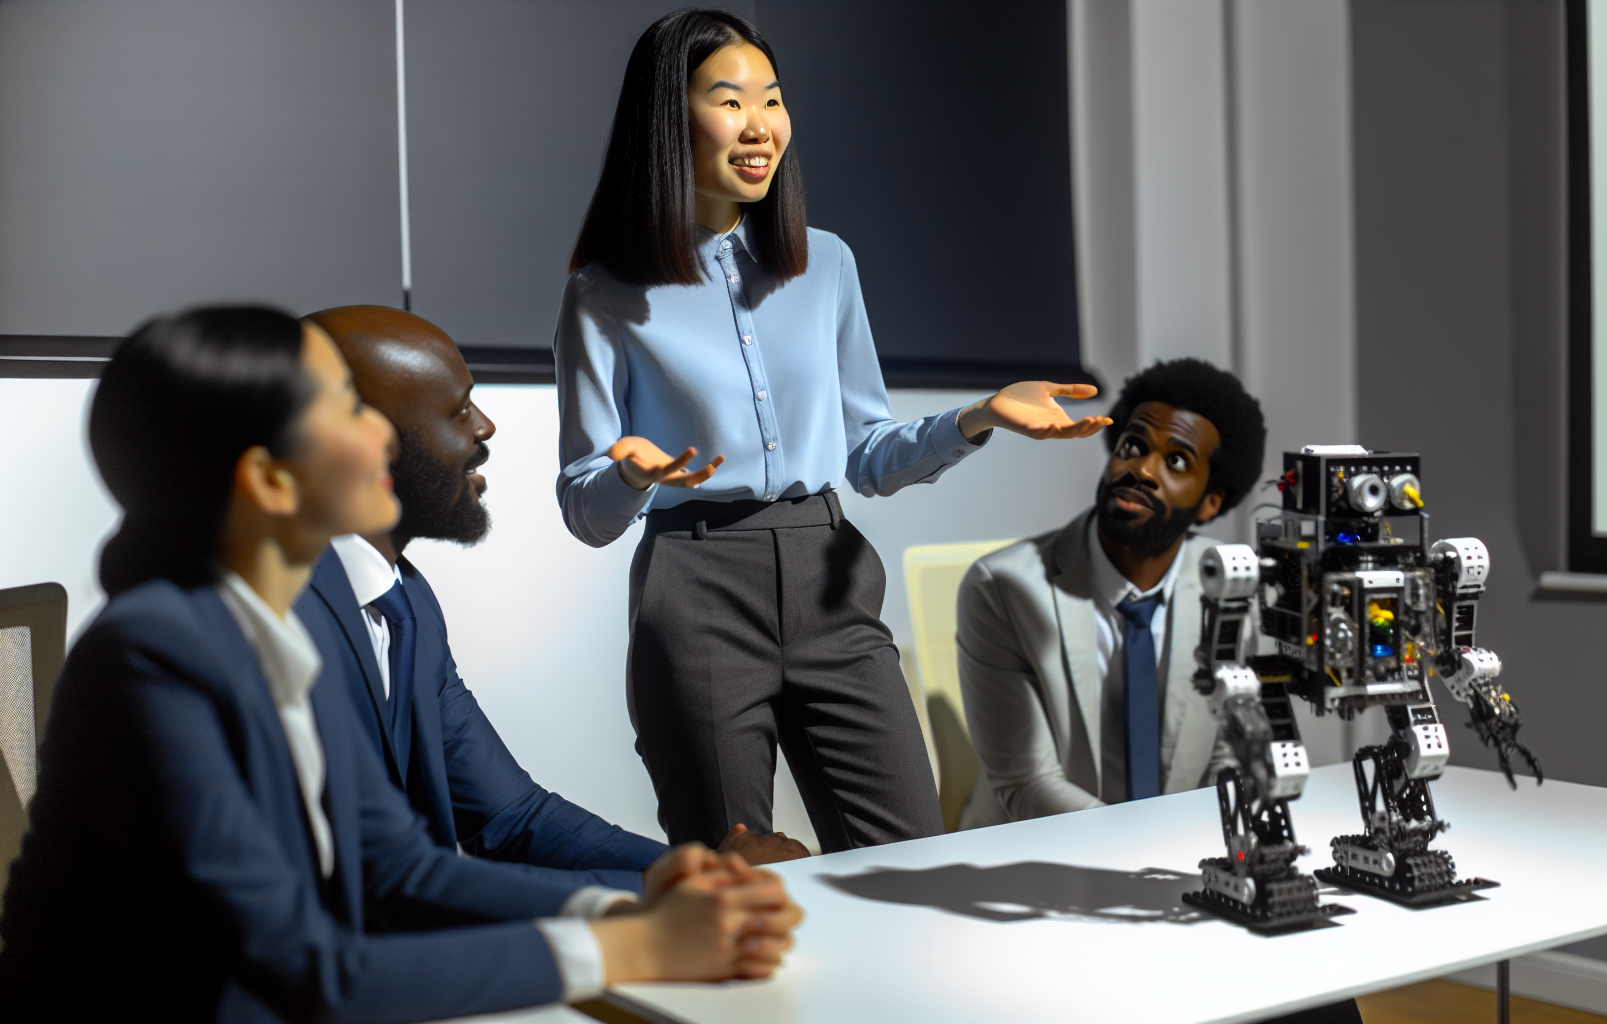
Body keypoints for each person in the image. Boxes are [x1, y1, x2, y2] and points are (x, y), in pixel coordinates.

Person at [0, 306, 800, 1021]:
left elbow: (398, 867)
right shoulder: (156, 653)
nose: (384, 433)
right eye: (347, 411)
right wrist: (637, 949)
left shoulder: (269, 630)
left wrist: (638, 904)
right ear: (270, 480)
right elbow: (304, 972)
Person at [554, 8, 1110, 854]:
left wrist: (978, 417)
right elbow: (584, 510)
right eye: (729, 101)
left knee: (911, 860)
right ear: (669, 119)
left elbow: (869, 458)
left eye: (772, 101)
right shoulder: (603, 293)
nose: (760, 126)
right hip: (694, 584)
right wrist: (629, 475)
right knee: (738, 877)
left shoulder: (829, 265)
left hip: (832, 576)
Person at [299, 304, 810, 892]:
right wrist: (683, 894)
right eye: (459, 409)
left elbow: (511, 819)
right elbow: (387, 887)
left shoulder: (408, 603)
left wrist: (701, 872)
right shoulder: (289, 620)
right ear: (362, 442)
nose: (486, 427)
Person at [956, 359, 1266, 829]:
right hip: (1029, 859)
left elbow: (1228, 754)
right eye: (1133, 445)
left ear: (1211, 501)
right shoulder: (1002, 588)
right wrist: (1150, 848)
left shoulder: (1229, 586)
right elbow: (1028, 784)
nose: (1141, 469)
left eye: (1176, 460)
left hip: (1176, 863)